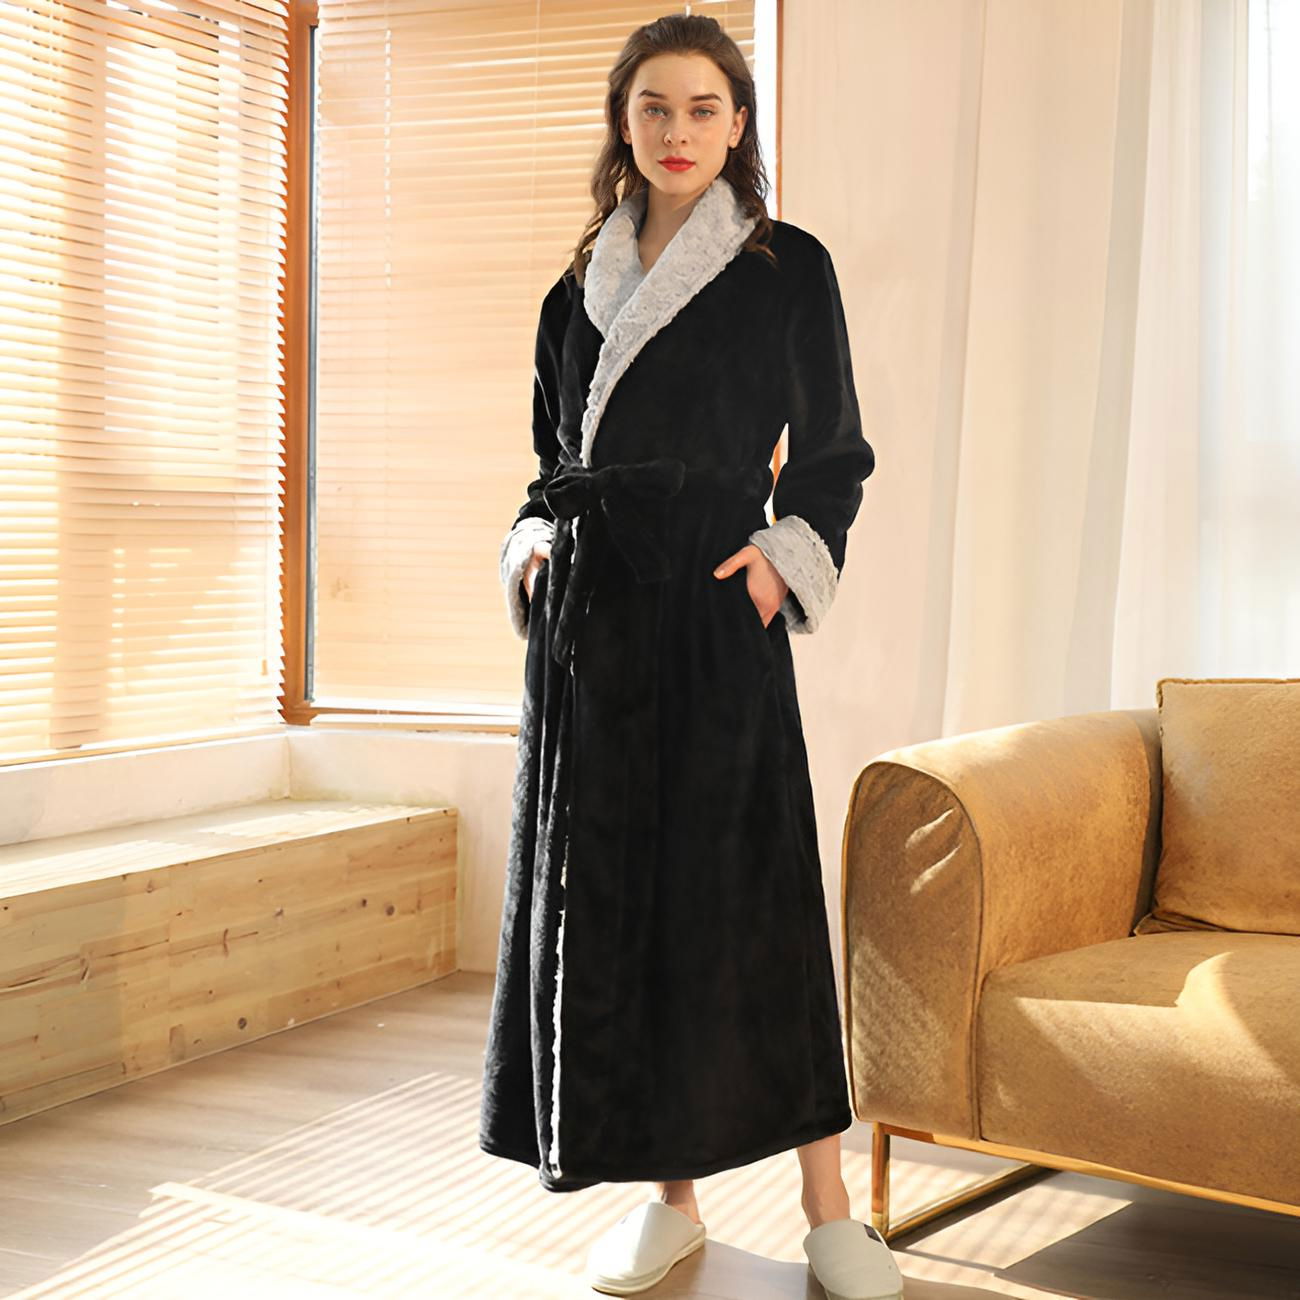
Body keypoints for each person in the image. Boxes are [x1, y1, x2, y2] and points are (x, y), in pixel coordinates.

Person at [478, 13, 901, 1299]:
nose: (676, 131)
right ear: (624, 122)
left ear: (737, 125)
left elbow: (833, 453)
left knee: (752, 904)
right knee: (621, 912)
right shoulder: (574, 289)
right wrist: (532, 544)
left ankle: (830, 1210)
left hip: (713, 622)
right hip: (589, 636)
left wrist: (778, 563)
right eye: (653, 107)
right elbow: (549, 463)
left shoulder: (784, 268)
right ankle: (671, 1201)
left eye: (703, 108)